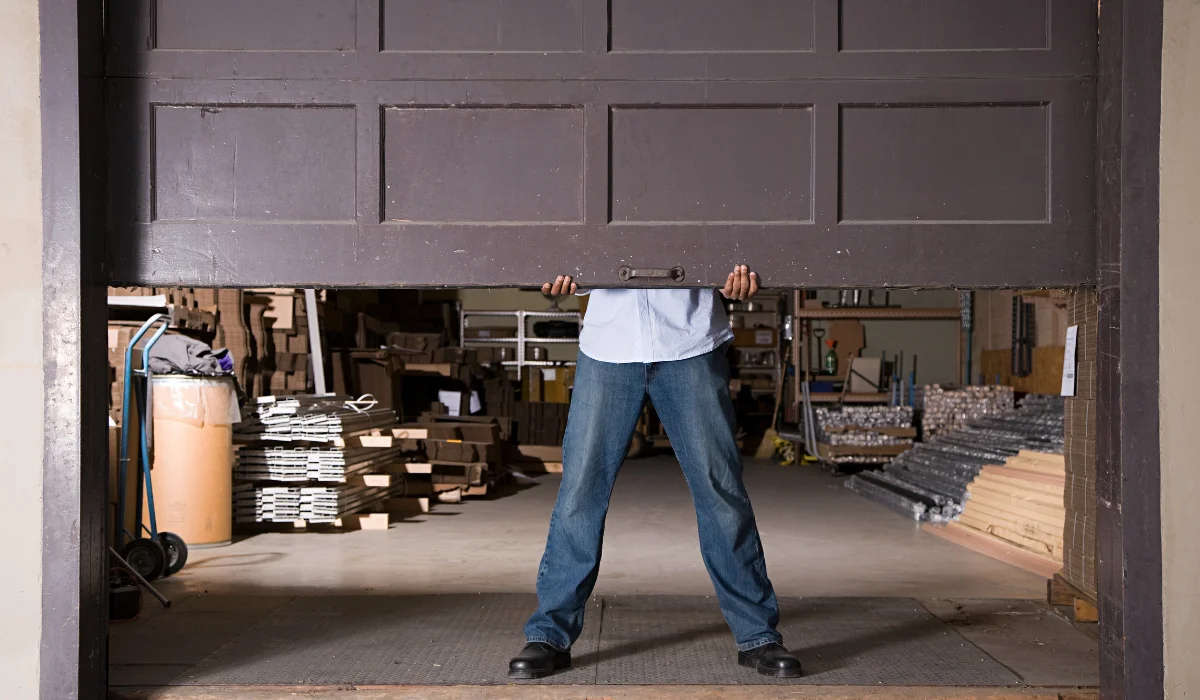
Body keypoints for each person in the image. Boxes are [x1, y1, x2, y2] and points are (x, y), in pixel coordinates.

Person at [508, 266, 802, 679]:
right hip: (608, 346)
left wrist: (737, 271)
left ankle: (758, 635)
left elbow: (729, 241)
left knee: (720, 492)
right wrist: (565, 272)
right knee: (580, 493)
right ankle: (549, 635)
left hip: (690, 340)